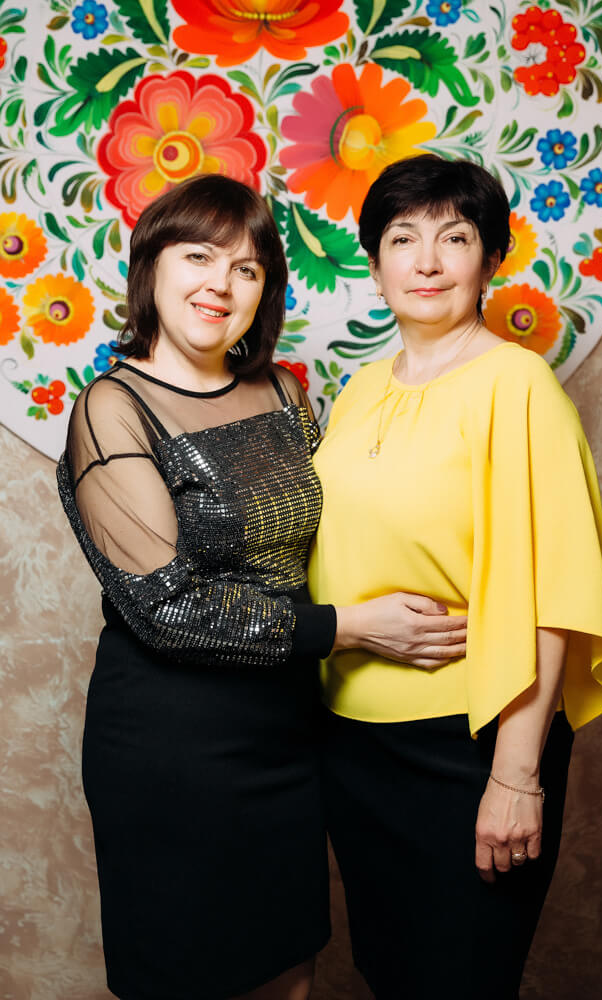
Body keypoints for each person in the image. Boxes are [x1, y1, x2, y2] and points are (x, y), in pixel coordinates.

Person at [56, 174, 467, 1000]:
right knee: (191, 977)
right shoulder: (112, 407)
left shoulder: (282, 391)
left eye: (245, 268)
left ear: (264, 291)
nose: (220, 283)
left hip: (289, 735)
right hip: (174, 748)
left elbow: (340, 534)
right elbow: (168, 609)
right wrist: (349, 627)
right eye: (198, 257)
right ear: (151, 267)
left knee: (289, 971)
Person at [308, 154, 602, 999]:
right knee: (390, 974)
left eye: (454, 237)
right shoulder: (358, 391)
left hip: (467, 741)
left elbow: (554, 592)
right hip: (353, 742)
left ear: (490, 259)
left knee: (460, 980)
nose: (427, 261)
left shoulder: (518, 384)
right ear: (375, 265)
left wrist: (516, 776)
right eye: (402, 239)